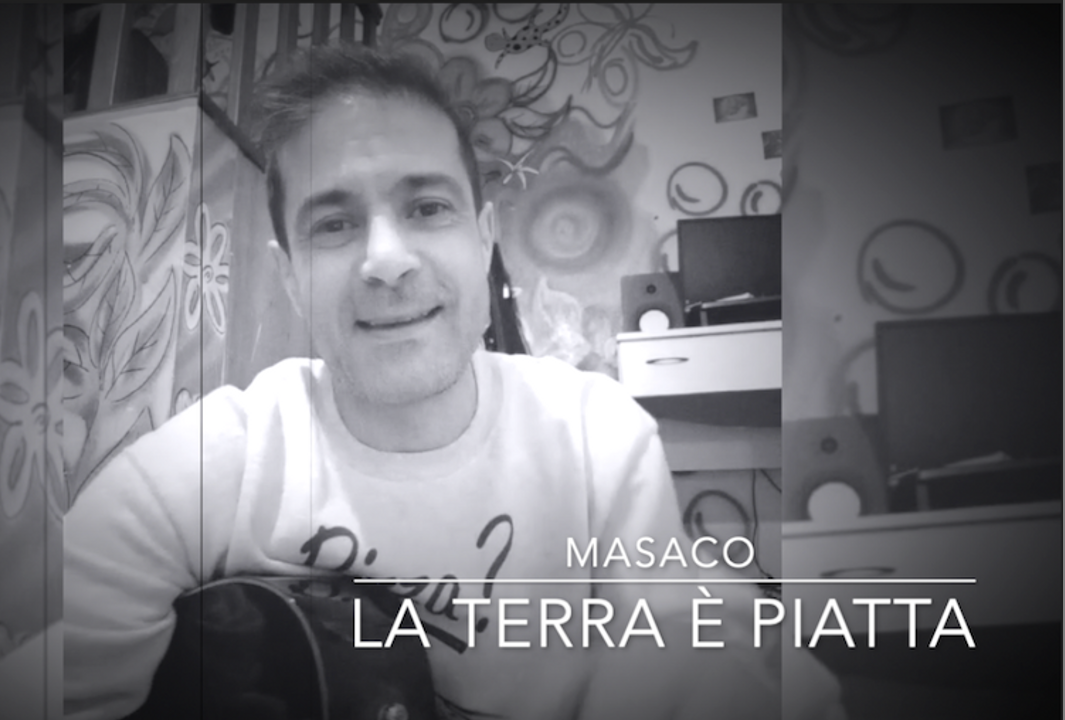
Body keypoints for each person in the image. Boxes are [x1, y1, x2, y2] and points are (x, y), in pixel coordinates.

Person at [62, 43, 844, 720]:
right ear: (291, 276)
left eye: (428, 207)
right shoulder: (211, 463)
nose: (386, 260)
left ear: (483, 238)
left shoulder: (593, 436)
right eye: (333, 224)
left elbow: (676, 651)